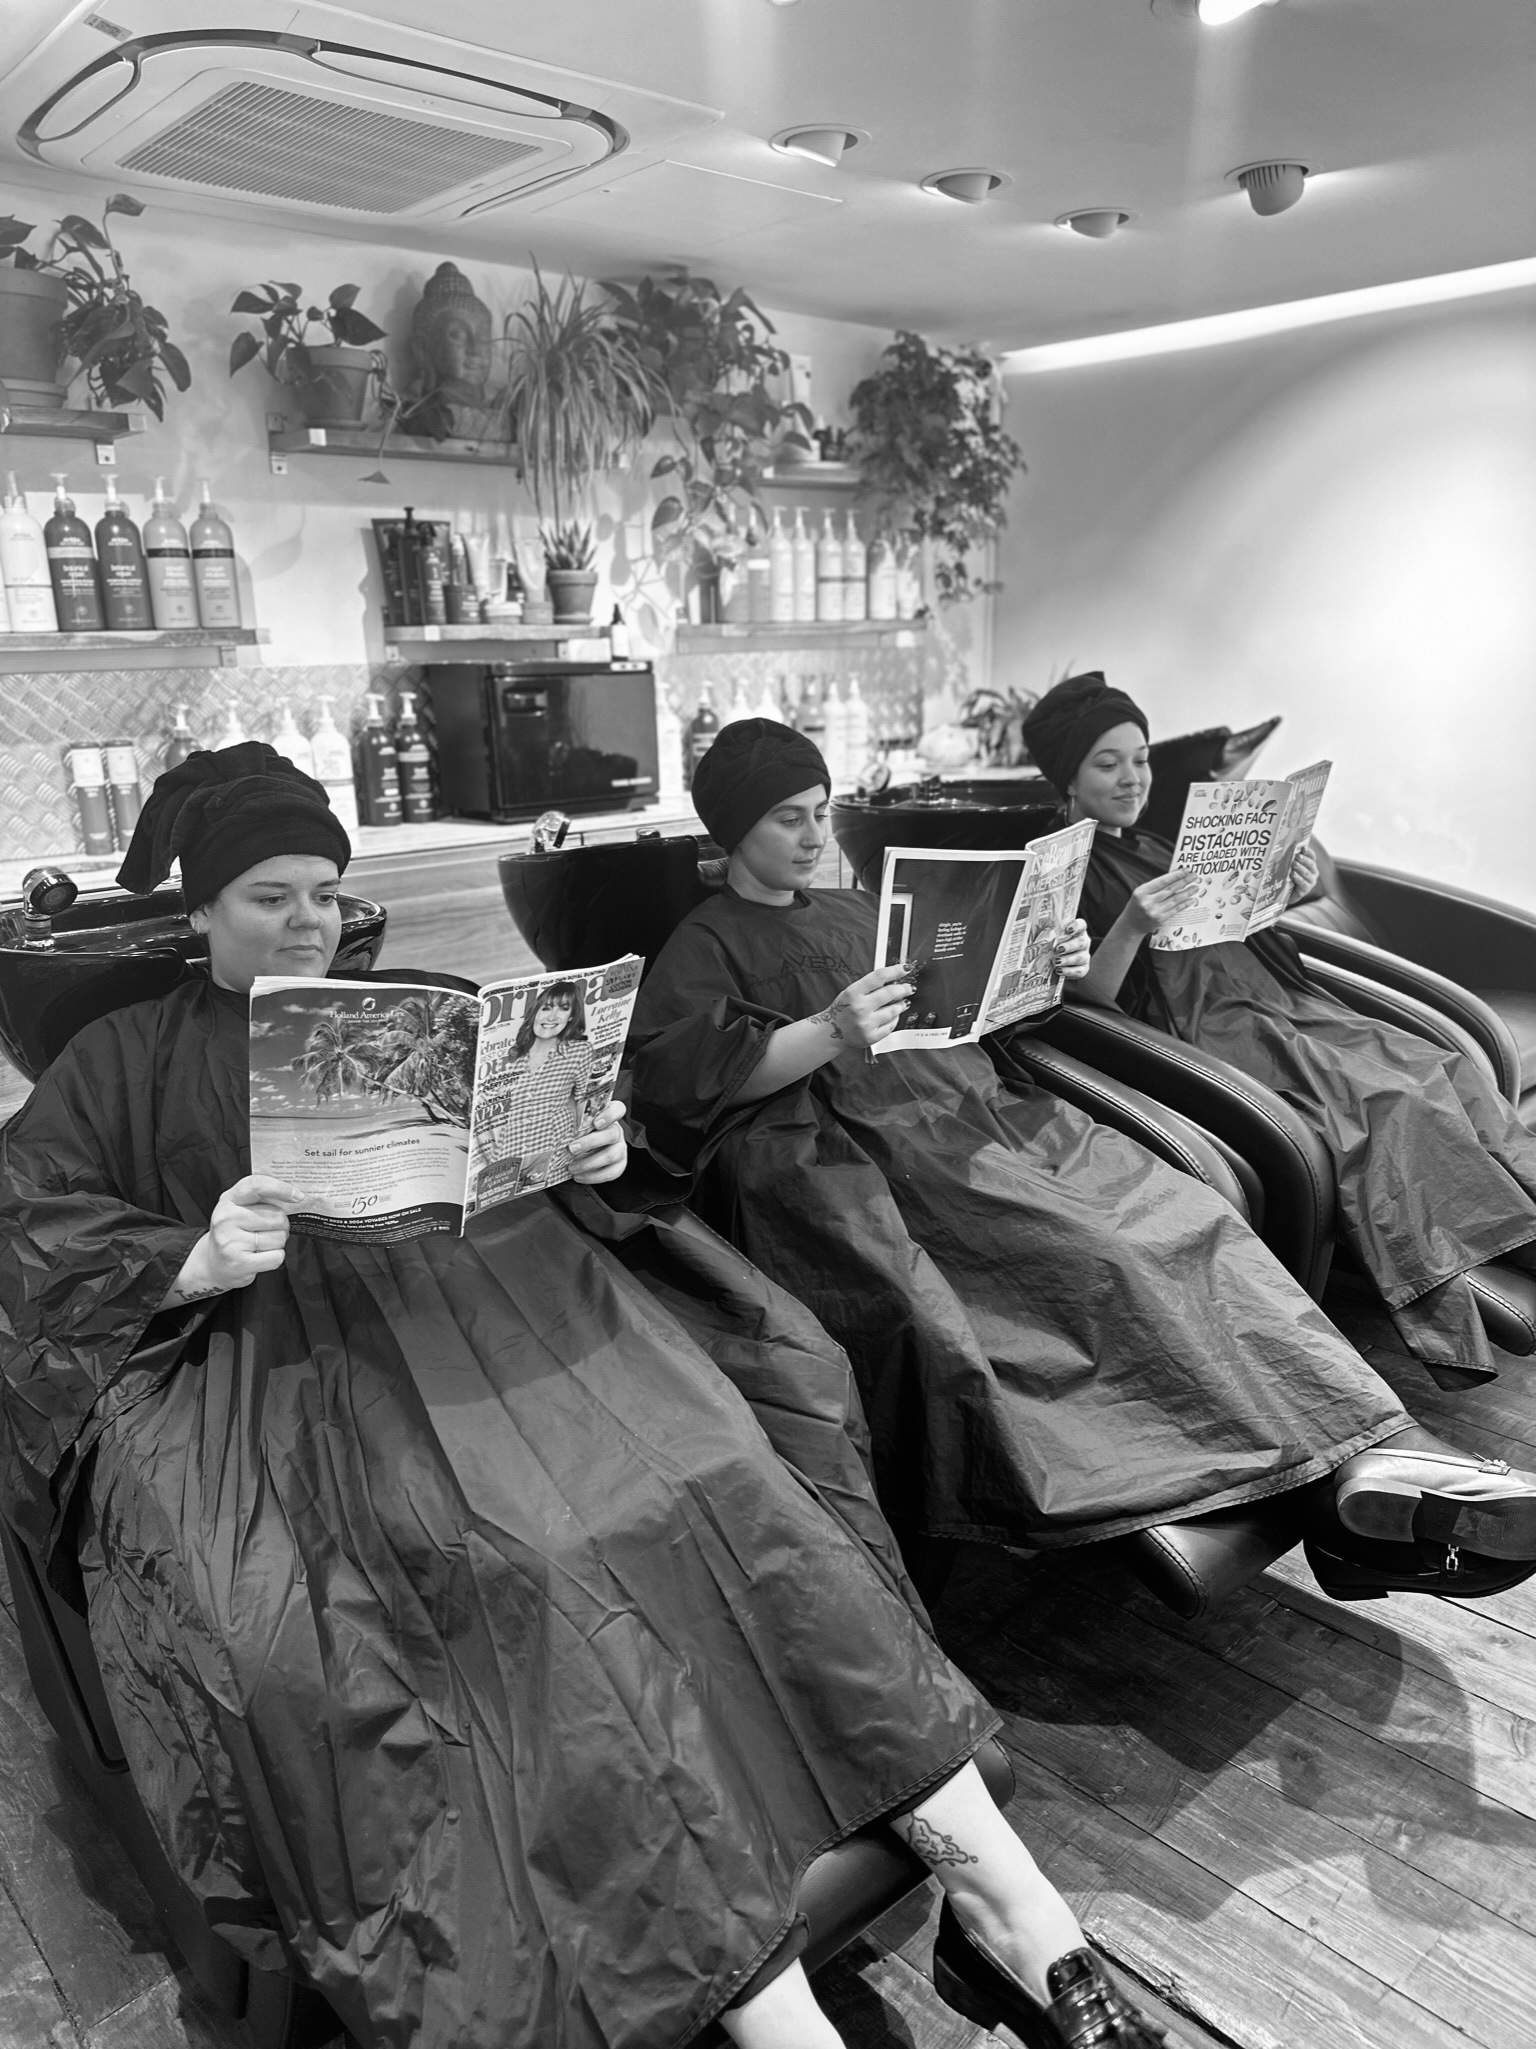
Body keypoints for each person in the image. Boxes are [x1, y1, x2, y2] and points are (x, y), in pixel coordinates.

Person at [0, 743, 1172, 2049]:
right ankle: (776, 2003)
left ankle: (1011, 1903)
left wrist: (589, 1143)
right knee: (531, 1559)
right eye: (273, 896)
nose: (309, 923)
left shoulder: (421, 1007)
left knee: (722, 1473)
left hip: (499, 1310)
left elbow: (554, 1146)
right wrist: (191, 1254)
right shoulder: (118, 1063)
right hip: (281, 1370)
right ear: (204, 909)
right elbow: (32, 1234)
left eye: (325, 893)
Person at [628, 718, 1536, 1598]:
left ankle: (1363, 1451)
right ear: (733, 826)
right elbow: (689, 1086)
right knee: (1093, 1259)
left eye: (822, 811)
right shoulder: (702, 944)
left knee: (1188, 1218)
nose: (815, 834)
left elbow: (979, 1004)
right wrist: (827, 1030)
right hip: (844, 1149)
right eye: (790, 817)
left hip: (972, 1107)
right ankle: (1337, 1467)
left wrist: (1047, 960)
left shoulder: (858, 905)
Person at [1023, 672, 1536, 1388]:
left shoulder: (1150, 838)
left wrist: (1285, 886)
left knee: (1436, 1062)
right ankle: (1441, 1295)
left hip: (1266, 993)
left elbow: (1226, 926)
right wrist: (1136, 922)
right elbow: (1092, 1000)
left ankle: (1522, 1230)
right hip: (1202, 1025)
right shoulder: (1055, 867)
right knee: (1382, 1104)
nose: (1133, 776)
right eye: (1108, 763)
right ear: (1067, 776)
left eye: (1139, 757)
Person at [490, 978, 597, 1190]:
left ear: (572, 1016)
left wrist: (580, 1146)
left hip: (555, 1153)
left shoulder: (579, 1052)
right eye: (546, 1008)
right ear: (535, 1013)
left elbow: (584, 1102)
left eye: (563, 1009)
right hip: (508, 1152)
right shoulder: (512, 1057)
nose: (551, 1016)